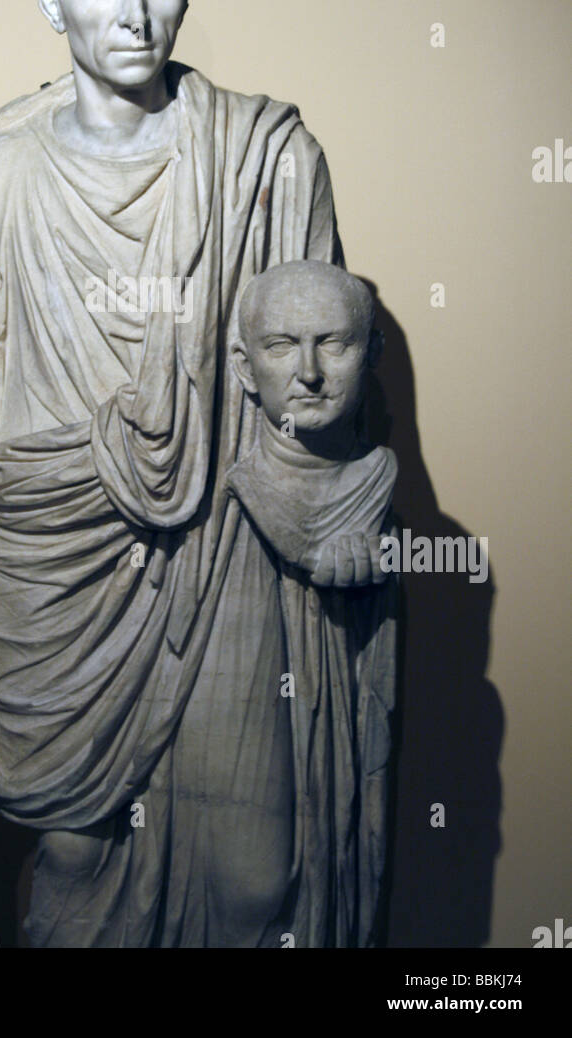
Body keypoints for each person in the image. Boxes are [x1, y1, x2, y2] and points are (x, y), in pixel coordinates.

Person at [0, 0, 379, 947]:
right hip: (48, 556)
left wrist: (338, 505)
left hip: (225, 543)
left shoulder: (266, 159)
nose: (134, 11)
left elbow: (309, 370)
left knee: (253, 876)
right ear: (52, 5)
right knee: (74, 857)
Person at [227, 261, 399, 945]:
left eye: (333, 342)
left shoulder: (377, 484)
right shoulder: (225, 499)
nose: (310, 371)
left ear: (372, 353)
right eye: (281, 346)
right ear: (244, 368)